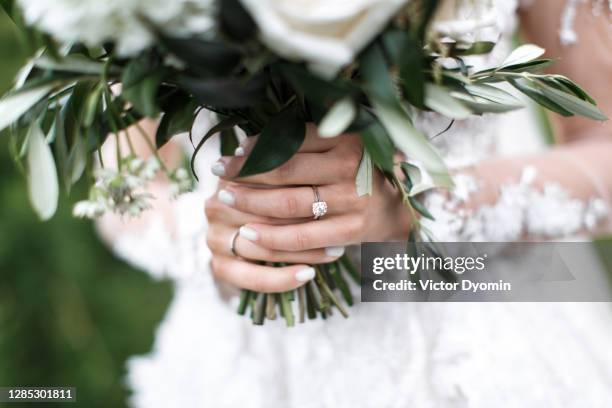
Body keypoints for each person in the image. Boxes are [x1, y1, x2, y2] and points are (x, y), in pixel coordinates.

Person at [98, 1, 612, 406]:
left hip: (474, 339)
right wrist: (216, 238)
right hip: (245, 363)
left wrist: (417, 201)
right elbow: (117, 189)